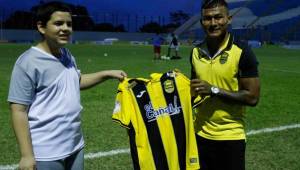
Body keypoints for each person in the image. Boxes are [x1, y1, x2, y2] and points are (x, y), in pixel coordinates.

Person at [7, 2, 127, 170]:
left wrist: (106, 74)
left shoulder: (66, 54)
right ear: (41, 27)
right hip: (46, 152)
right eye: (58, 23)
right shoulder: (28, 62)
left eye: (69, 24)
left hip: (75, 145)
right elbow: (18, 110)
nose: (66, 28)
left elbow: (75, 82)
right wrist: (27, 155)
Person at [190, 0, 260, 170]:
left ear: (228, 19)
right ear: (201, 22)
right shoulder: (196, 52)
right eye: (207, 19)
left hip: (231, 137)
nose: (213, 23)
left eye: (218, 17)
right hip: (199, 135)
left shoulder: (242, 51)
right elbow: (195, 91)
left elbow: (252, 97)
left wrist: (213, 90)